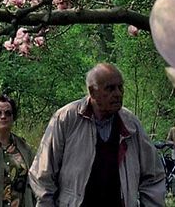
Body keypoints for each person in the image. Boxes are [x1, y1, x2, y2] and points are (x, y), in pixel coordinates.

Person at [29, 63, 165, 207]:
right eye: (110, 88)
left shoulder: (130, 124)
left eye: (120, 87)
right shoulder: (66, 118)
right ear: (93, 92)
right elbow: (43, 174)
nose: (118, 93)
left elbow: (153, 176)